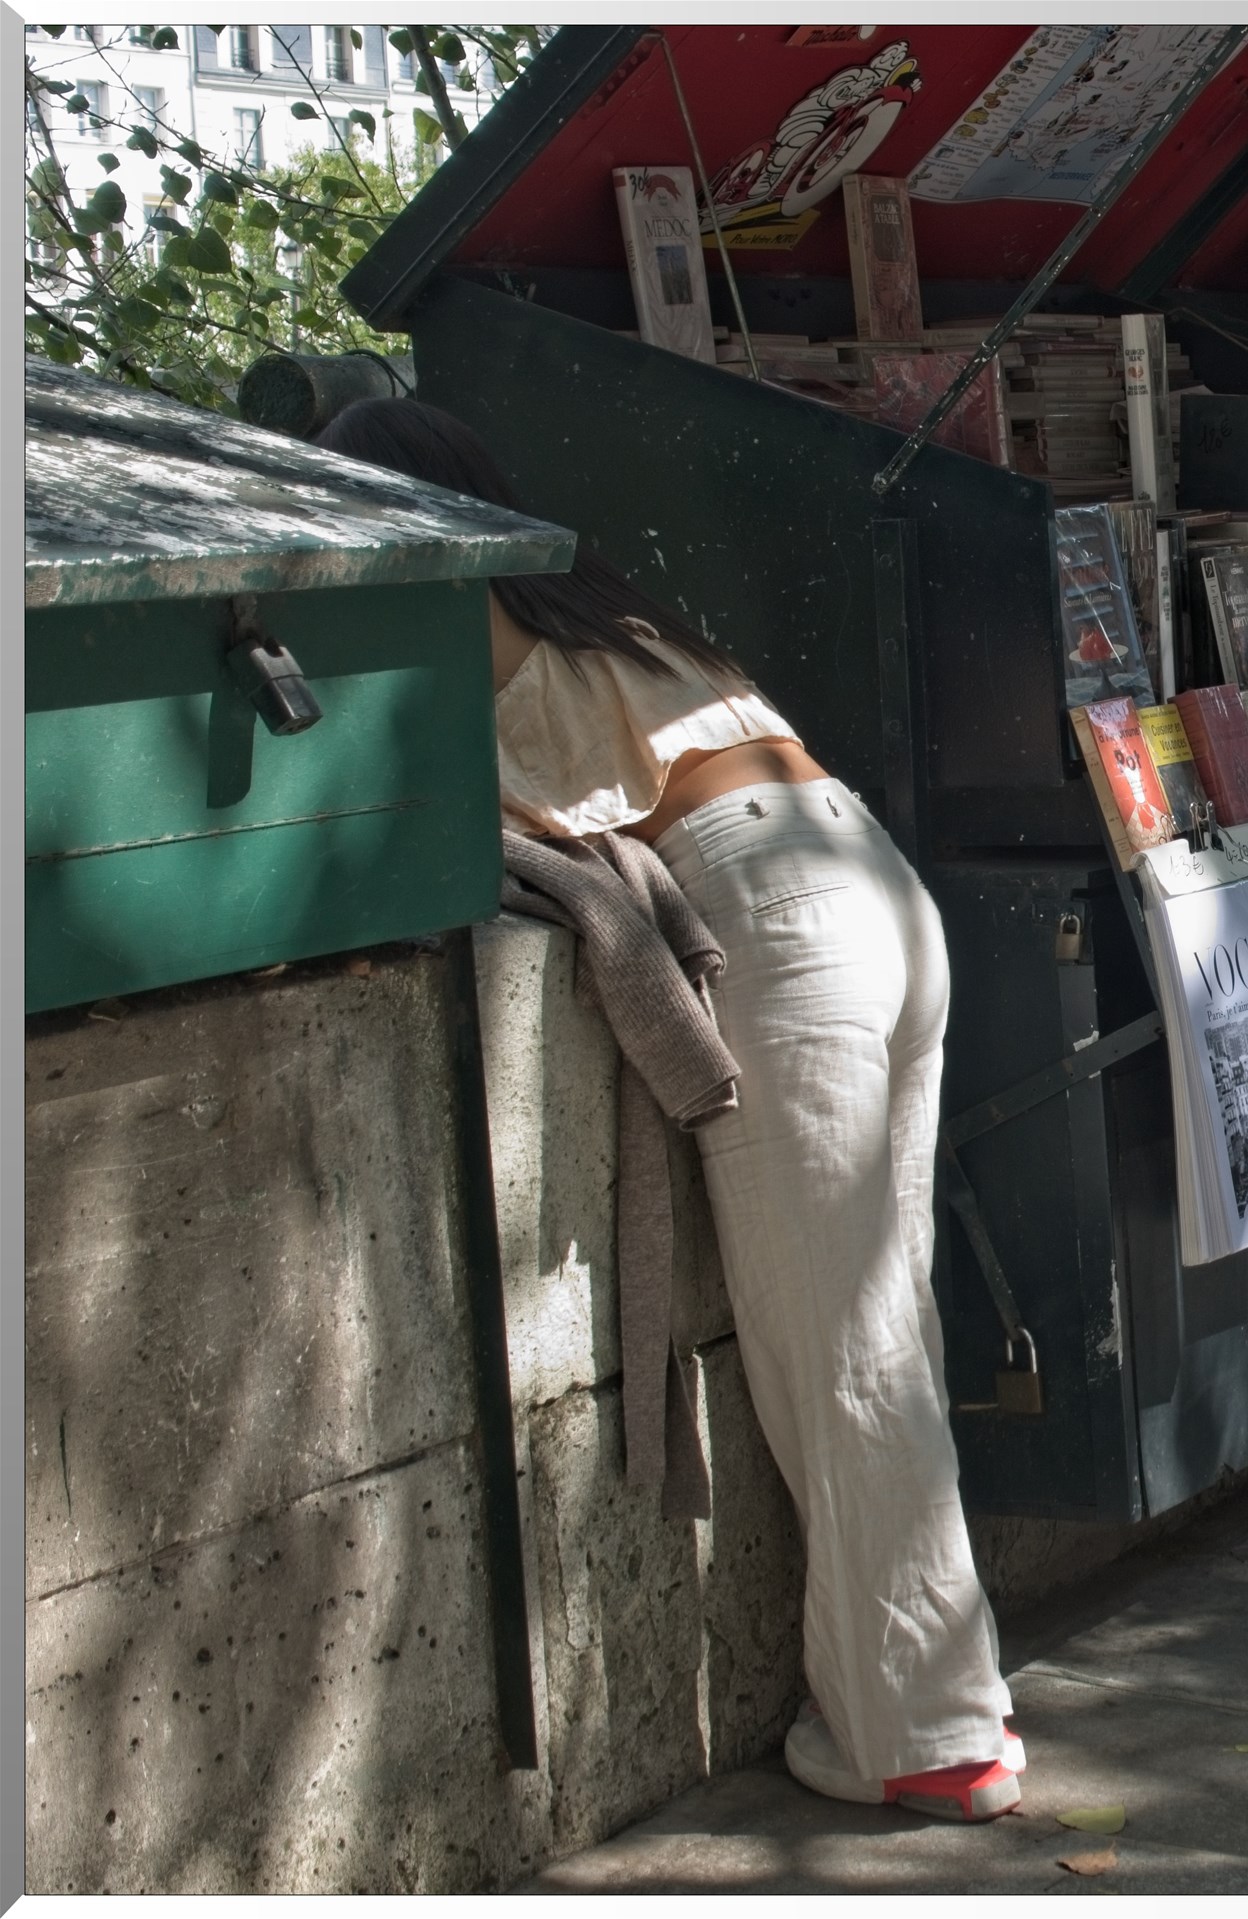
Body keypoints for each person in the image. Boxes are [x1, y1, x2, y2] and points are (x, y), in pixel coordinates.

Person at [314, 399, 1026, 1822]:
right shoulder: (605, 608)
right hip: (865, 874)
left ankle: (933, 1734)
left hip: (773, 908)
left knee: (844, 1345)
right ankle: (921, 1702)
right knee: (884, 1317)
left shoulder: (446, 613)